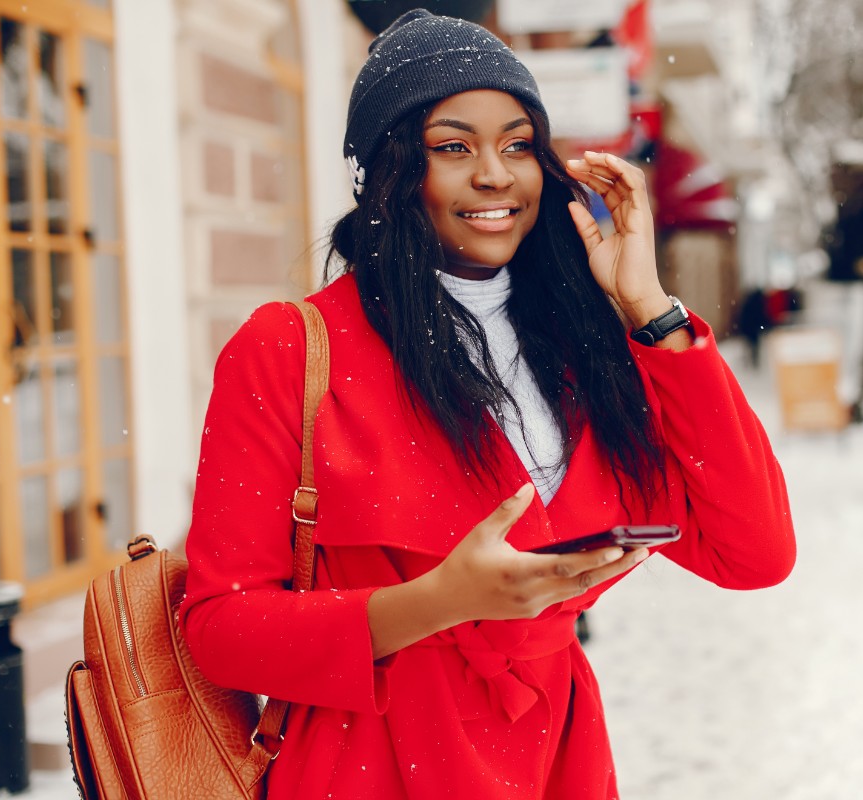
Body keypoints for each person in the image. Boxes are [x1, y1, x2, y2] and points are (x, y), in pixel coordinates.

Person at [181, 10, 794, 799]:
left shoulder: (585, 349)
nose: (496, 174)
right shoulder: (289, 349)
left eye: (517, 145)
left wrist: (652, 310)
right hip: (370, 764)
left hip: (556, 760)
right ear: (390, 171)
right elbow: (221, 630)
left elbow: (757, 552)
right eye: (454, 147)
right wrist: (436, 604)